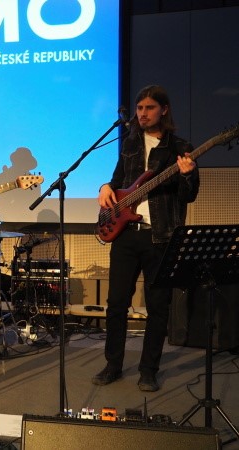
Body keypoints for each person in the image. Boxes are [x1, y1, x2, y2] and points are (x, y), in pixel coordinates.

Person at [92, 85, 199, 392]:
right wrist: (104, 187)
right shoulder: (130, 143)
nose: (142, 113)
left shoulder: (181, 148)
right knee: (116, 304)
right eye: (139, 108)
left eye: (149, 108)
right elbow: (117, 181)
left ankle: (148, 370)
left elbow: (189, 195)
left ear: (164, 110)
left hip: (161, 237)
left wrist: (187, 174)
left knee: (158, 306)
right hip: (126, 235)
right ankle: (113, 365)